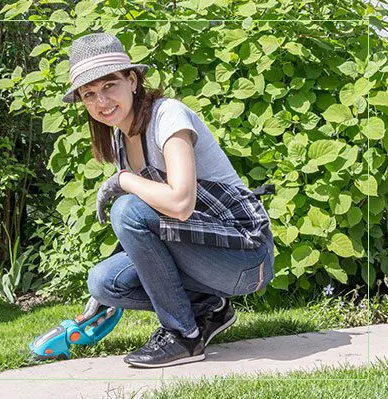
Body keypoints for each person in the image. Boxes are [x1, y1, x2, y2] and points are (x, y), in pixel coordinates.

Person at [63, 32, 275, 368]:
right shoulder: (120, 137)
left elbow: (180, 203)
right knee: (104, 282)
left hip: (246, 256)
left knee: (127, 205)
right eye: (89, 94)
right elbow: (147, 228)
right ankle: (209, 309)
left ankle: (183, 336)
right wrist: (101, 297)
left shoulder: (167, 116)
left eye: (109, 86)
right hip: (201, 249)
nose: (100, 101)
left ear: (132, 80)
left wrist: (123, 180)